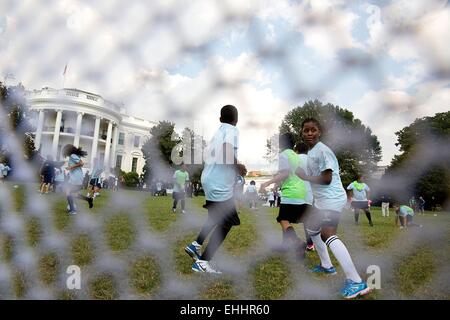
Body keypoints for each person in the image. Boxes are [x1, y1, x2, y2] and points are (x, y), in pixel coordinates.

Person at [295, 118, 371, 299]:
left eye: (313, 130)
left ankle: (356, 281)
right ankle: (327, 266)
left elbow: (327, 178)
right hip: (321, 201)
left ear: (319, 132)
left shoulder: (323, 151)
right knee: (312, 228)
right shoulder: (312, 152)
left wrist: (305, 177)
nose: (310, 133)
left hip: (332, 199)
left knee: (327, 234)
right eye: (306, 130)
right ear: (302, 133)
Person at [184, 105, 247, 273]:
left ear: (220, 119)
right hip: (219, 183)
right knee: (227, 223)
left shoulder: (217, 133)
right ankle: (203, 262)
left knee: (216, 216)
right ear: (236, 120)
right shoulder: (233, 130)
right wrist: (238, 166)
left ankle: (196, 245)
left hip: (209, 179)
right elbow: (226, 152)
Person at [259, 133, 312, 259]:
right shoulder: (296, 156)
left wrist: (267, 182)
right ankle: (285, 245)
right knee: (287, 219)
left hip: (290, 192)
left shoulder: (284, 155)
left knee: (283, 219)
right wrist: (277, 185)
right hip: (301, 192)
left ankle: (298, 243)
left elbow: (285, 174)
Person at [62, 144, 94, 214]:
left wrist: (71, 167)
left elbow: (81, 163)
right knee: (74, 194)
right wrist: (71, 167)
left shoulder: (72, 156)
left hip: (76, 178)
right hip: (75, 178)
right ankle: (88, 199)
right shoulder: (74, 156)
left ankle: (72, 210)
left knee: (68, 192)